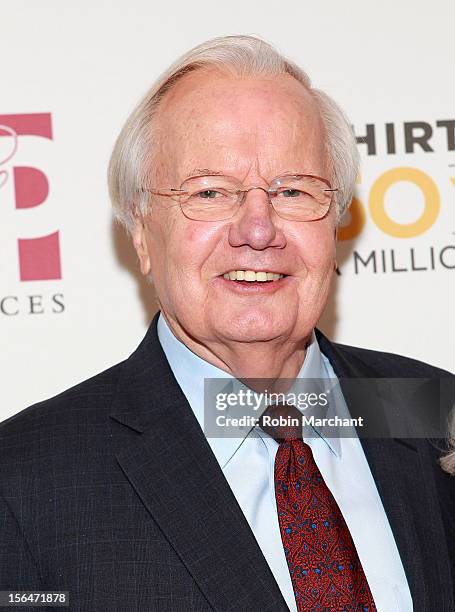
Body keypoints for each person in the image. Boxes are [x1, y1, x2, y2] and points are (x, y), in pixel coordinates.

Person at [0, 35, 454, 612]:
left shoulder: (431, 409)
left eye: (293, 190)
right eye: (210, 192)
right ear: (141, 232)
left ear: (335, 221)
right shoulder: (24, 484)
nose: (258, 229)